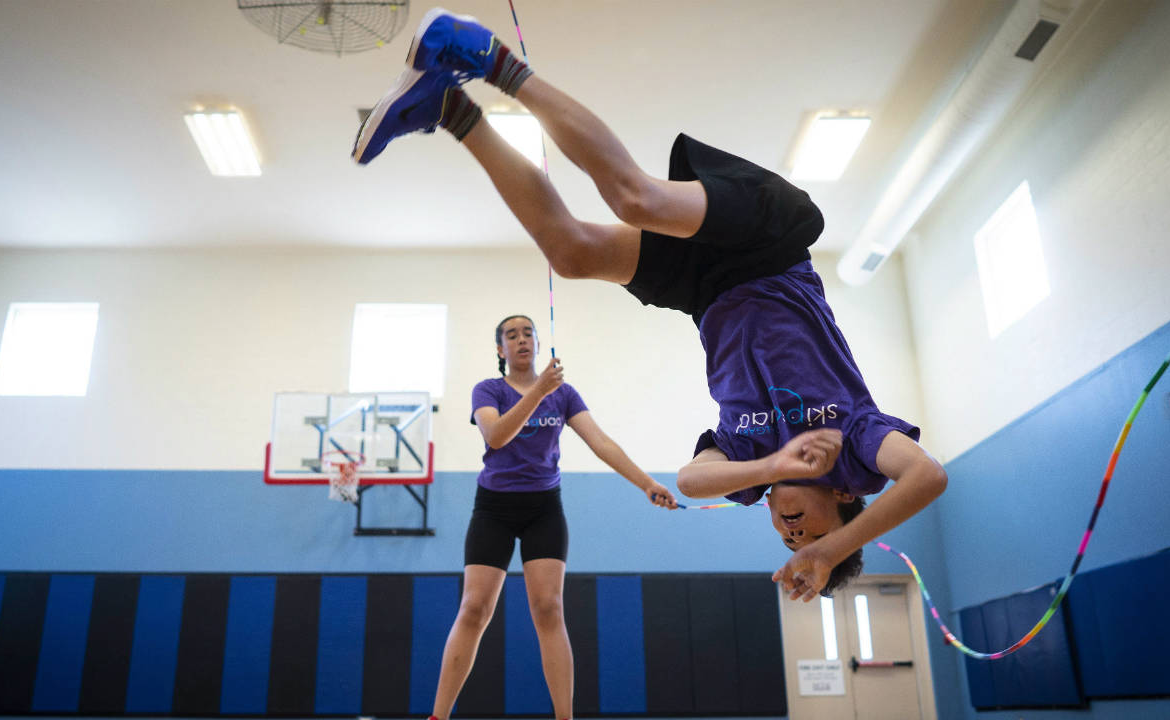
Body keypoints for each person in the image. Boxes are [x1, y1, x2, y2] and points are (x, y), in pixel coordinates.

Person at [353, 8, 947, 602]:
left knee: (573, 252)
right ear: (845, 500)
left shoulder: (749, 462)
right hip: (772, 250)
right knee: (635, 197)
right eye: (809, 535)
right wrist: (828, 553)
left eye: (787, 543)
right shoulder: (857, 446)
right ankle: (487, 57)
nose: (793, 535)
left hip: (707, 292)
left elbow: (691, 480)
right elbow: (927, 476)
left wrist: (772, 470)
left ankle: (450, 110)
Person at [426, 314, 676, 720]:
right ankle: (438, 715)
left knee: (548, 608)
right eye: (512, 335)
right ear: (500, 349)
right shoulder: (488, 390)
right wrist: (539, 389)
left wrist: (646, 483)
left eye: (528, 333)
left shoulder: (564, 394)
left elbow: (601, 442)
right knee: (474, 608)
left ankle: (564, 717)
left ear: (539, 343)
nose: (522, 339)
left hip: (543, 508)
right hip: (494, 508)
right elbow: (497, 435)